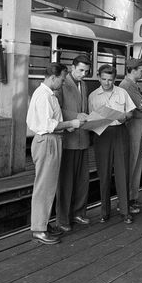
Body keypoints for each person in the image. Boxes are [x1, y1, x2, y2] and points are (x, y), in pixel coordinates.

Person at [26, 63, 81, 245]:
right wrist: (71, 123)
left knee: (48, 186)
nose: (63, 83)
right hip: (47, 141)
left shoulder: (49, 95)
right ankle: (39, 230)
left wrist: (67, 127)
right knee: (44, 187)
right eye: (62, 79)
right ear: (53, 77)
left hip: (52, 140)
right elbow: (49, 125)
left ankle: (42, 224)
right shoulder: (44, 96)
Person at [89, 63, 136, 224]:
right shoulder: (93, 96)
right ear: (98, 77)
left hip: (120, 132)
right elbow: (91, 117)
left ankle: (125, 211)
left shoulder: (122, 92)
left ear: (115, 79)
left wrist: (125, 116)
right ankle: (104, 212)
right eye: (104, 79)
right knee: (104, 173)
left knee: (123, 172)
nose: (107, 83)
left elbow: (130, 112)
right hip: (102, 134)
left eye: (110, 80)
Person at [55, 55, 92, 232]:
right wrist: (76, 116)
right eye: (80, 70)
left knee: (82, 180)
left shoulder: (83, 85)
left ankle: (78, 212)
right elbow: (57, 109)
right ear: (72, 67)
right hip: (68, 140)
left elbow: (83, 109)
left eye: (86, 71)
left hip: (82, 138)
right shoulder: (63, 84)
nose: (83, 74)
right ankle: (63, 219)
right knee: (66, 181)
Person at [118, 57, 142, 212]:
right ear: (133, 70)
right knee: (132, 163)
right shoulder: (127, 86)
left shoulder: (133, 85)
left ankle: (132, 198)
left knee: (136, 162)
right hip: (131, 127)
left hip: (137, 126)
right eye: (141, 69)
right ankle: (127, 201)